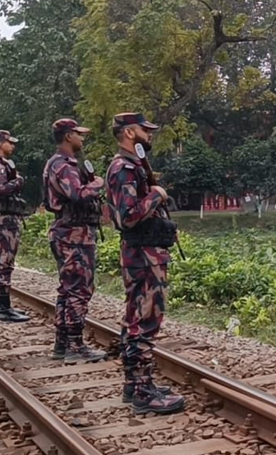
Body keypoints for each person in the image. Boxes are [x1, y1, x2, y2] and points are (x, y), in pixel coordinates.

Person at [105, 112, 185, 415]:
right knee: (144, 319)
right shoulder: (124, 169)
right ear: (129, 133)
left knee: (138, 316)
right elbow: (127, 217)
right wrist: (156, 195)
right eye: (144, 130)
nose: (149, 134)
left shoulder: (132, 167)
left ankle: (136, 383)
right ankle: (141, 391)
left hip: (146, 253)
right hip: (142, 254)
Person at [43, 118, 107, 363]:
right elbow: (77, 194)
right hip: (74, 235)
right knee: (79, 290)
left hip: (68, 232)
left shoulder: (57, 163)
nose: (83, 138)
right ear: (68, 136)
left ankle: (62, 343)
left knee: (67, 290)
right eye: (79, 134)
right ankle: (74, 345)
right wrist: (96, 184)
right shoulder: (64, 165)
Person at [0, 130, 30, 323]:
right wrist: (18, 181)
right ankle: (2, 308)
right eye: (10, 142)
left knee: (3, 262)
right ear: (1, 143)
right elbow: (1, 189)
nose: (13, 146)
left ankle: (3, 306)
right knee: (3, 262)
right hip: (5, 218)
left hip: (1, 216)